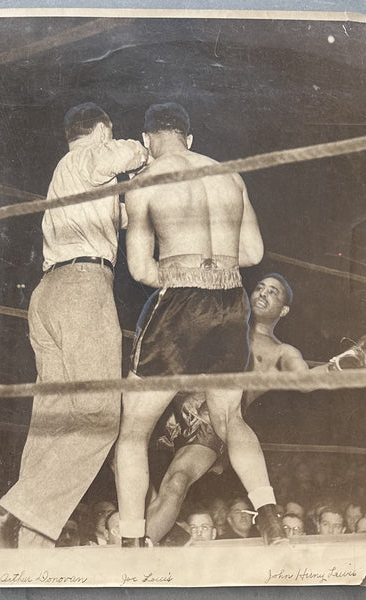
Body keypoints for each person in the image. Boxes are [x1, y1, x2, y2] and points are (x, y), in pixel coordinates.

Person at [0, 103, 148, 548]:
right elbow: (113, 158)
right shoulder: (88, 157)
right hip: (83, 288)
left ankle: (26, 539)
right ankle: (6, 515)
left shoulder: (76, 177)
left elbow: (124, 215)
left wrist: (141, 188)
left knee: (53, 418)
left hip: (50, 294)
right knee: (103, 416)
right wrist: (145, 150)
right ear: (102, 130)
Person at [114, 102, 285, 547]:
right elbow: (252, 254)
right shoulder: (231, 176)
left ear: (149, 140)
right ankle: (268, 513)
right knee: (229, 416)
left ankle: (133, 540)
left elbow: (138, 269)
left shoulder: (145, 179)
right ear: (190, 139)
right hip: (229, 300)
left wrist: (179, 276)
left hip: (181, 302)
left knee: (134, 427)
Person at [144, 273, 366, 543]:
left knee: (176, 483)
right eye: (259, 287)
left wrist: (343, 362)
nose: (263, 293)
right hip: (171, 404)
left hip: (213, 423)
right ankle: (148, 543)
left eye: (273, 292)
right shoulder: (221, 322)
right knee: (122, 460)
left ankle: (148, 546)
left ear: (284, 310)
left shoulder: (281, 351)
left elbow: (306, 382)